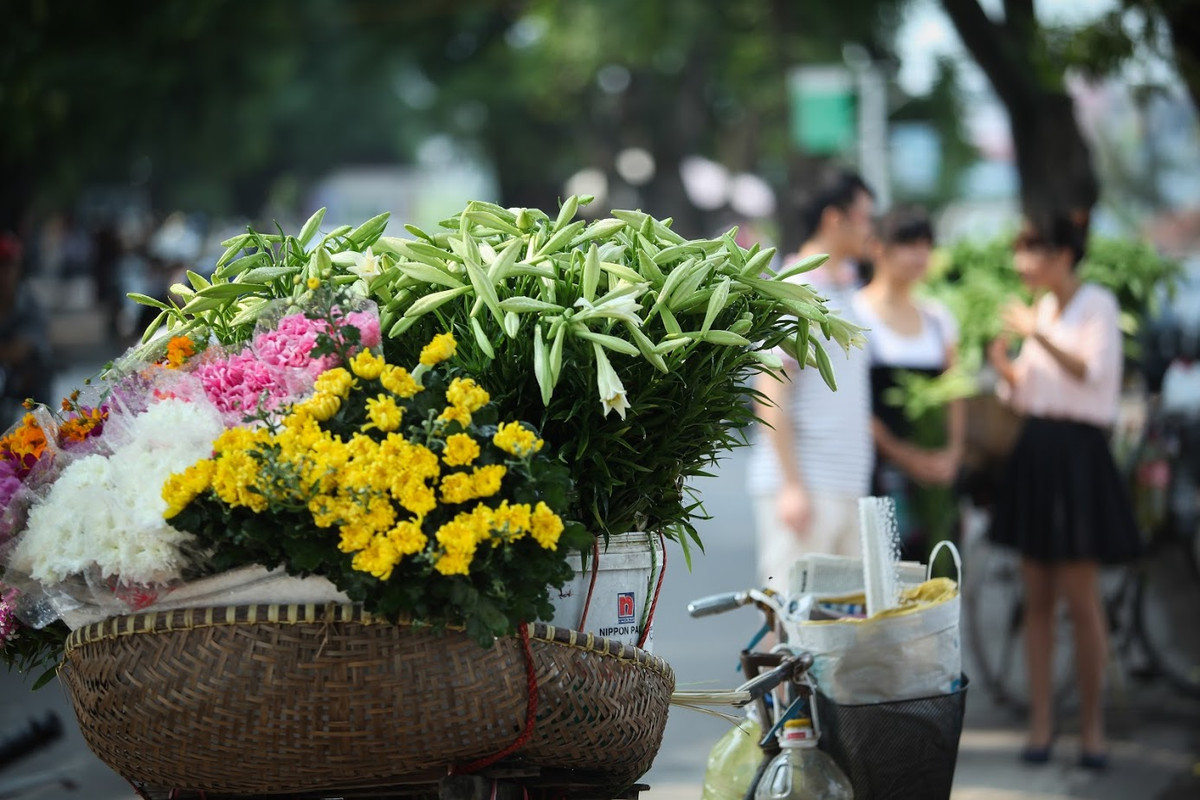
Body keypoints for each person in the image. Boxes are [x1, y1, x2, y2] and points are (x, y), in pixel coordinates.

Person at [987, 210, 1140, 770]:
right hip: (1038, 449)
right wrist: (1006, 370)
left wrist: (1036, 335)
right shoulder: (1046, 308)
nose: (1023, 262)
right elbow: (1031, 392)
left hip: (1079, 455)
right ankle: (1042, 725)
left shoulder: (1095, 304)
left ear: (1064, 255)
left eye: (1034, 250)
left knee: (1081, 599)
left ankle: (1092, 730)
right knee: (1038, 599)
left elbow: (1089, 373)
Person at [746, 167, 875, 591]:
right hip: (806, 488)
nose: (870, 230)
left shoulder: (845, 290)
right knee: (790, 614)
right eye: (865, 218)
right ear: (834, 219)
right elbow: (770, 393)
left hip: (845, 485)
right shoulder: (796, 290)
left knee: (839, 620)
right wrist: (792, 486)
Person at [853, 207, 964, 564]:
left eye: (926, 246)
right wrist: (905, 456)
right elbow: (853, 403)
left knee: (936, 571)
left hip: (934, 472)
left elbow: (954, 391)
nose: (920, 256)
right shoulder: (855, 314)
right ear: (878, 248)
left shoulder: (938, 318)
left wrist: (952, 453)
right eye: (909, 245)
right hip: (878, 472)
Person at [0, 233, 52, 419]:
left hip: (29, 382)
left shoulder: (31, 305)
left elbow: (19, 351)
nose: (3, 273)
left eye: (7, 266)